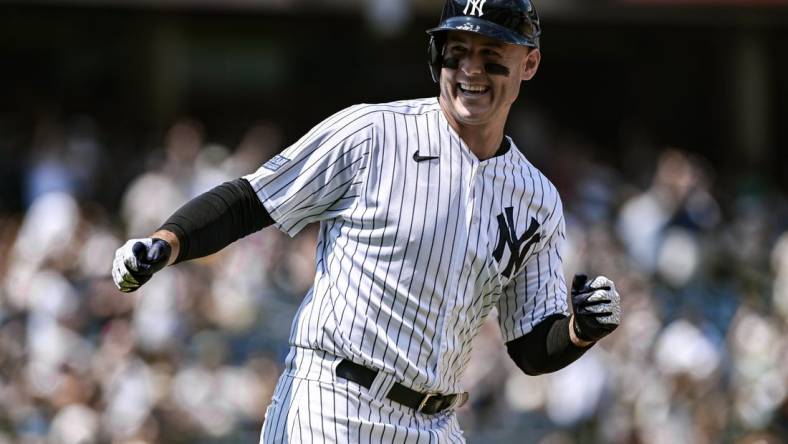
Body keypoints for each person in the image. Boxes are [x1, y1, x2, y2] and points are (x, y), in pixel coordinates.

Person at [112, 0, 622, 442]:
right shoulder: (373, 134)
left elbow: (531, 347)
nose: (470, 70)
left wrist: (580, 329)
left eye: (491, 56)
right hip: (334, 402)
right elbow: (252, 199)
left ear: (528, 62)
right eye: (456, 52)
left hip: (435, 422)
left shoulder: (536, 199)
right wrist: (167, 242)